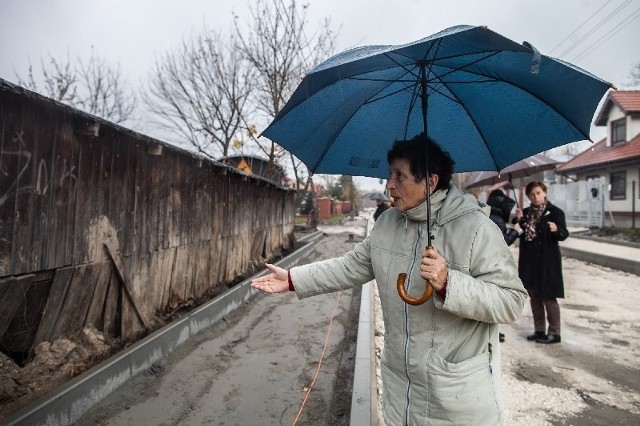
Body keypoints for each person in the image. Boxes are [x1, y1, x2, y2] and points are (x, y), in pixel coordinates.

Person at [252, 133, 527, 425]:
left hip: (455, 398)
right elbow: (350, 266)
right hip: (400, 388)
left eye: (400, 176)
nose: (389, 185)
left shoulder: (476, 230)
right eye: (389, 174)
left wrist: (450, 282)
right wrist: (294, 278)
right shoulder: (388, 224)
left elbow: (511, 301)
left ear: (431, 182)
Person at [514, 181, 569, 344]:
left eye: (538, 193)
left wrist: (556, 229)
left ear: (544, 193)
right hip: (530, 262)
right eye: (532, 194)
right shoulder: (525, 213)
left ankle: (554, 333)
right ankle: (539, 330)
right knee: (534, 297)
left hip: (547, 262)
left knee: (549, 297)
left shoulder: (555, 212)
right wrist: (519, 220)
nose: (535, 196)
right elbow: (522, 234)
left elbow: (564, 234)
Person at [485, 188, 522, 343]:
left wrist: (515, 220)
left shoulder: (490, 215)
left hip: (487, 263)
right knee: (493, 299)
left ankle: (492, 331)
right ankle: (493, 332)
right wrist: (515, 231)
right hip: (494, 265)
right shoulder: (498, 220)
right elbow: (503, 242)